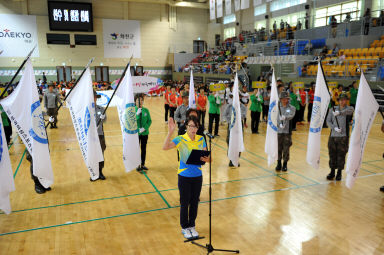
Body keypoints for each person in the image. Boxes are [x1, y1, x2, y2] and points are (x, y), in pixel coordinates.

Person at [162, 116, 209, 240]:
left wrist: (207, 158)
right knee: (185, 202)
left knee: (194, 202)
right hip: (184, 177)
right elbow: (165, 147)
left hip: (197, 176)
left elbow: (207, 158)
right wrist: (170, 132)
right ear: (187, 126)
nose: (193, 129)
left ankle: (192, 225)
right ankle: (184, 227)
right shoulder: (180, 139)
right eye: (191, 126)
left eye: (195, 126)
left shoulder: (201, 139)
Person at [326, 93, 354, 181]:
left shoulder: (348, 109)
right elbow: (328, 121)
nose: (343, 101)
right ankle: (332, 172)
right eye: (341, 100)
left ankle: (339, 173)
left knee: (341, 155)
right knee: (332, 154)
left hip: (343, 137)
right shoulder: (332, 109)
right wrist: (334, 128)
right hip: (333, 136)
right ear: (338, 100)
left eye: (344, 99)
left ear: (347, 100)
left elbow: (351, 111)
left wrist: (340, 113)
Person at [275, 91, 296, 172]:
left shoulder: (291, 108)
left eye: (286, 99)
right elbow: (274, 117)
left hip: (287, 131)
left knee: (286, 148)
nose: (284, 100)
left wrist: (285, 117)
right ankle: (278, 163)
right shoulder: (277, 107)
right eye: (283, 99)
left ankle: (285, 164)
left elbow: (291, 115)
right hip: (279, 131)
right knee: (278, 148)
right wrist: (278, 124)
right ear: (280, 99)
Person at [224, 95, 247, 167]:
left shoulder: (243, 107)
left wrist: (236, 119)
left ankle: (236, 159)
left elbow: (244, 115)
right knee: (230, 142)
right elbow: (225, 115)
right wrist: (230, 121)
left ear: (240, 97)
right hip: (231, 127)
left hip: (239, 128)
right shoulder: (229, 106)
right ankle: (231, 160)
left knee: (238, 143)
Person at [90, 91, 107, 181]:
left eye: (95, 97)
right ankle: (93, 172)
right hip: (91, 136)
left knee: (101, 153)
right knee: (92, 154)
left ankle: (100, 171)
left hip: (100, 134)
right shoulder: (87, 109)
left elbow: (105, 120)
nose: (94, 98)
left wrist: (103, 118)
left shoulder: (101, 109)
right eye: (93, 97)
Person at [135, 94, 152, 172]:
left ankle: (143, 164)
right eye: (138, 100)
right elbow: (132, 122)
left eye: (142, 100)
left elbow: (149, 121)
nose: (140, 101)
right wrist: (137, 115)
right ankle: (137, 164)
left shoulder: (146, 110)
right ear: (135, 101)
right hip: (136, 134)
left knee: (143, 149)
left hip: (145, 133)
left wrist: (144, 128)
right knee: (137, 149)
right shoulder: (133, 110)